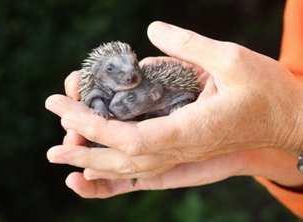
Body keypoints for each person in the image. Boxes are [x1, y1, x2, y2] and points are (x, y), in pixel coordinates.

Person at [45, 0, 303, 218]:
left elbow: (291, 103)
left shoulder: (160, 90)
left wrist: (292, 124)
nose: (130, 77)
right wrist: (253, 148)